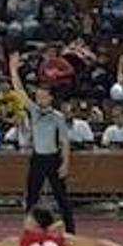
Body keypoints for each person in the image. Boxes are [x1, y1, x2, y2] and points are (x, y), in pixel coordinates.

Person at [9, 50, 75, 232]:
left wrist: (65, 164)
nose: (39, 100)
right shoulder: (34, 110)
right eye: (37, 97)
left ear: (50, 98)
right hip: (38, 157)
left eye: (42, 97)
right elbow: (20, 91)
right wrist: (13, 69)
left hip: (53, 158)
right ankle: (29, 229)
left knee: (62, 197)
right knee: (31, 196)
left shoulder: (58, 117)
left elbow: (65, 142)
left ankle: (70, 231)